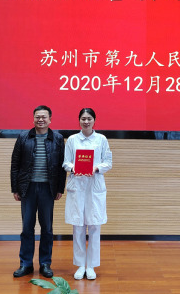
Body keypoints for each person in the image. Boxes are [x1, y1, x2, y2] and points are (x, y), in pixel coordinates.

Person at [10, 105, 66, 278]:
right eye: (37, 117)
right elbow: (15, 164)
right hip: (28, 188)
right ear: (33, 118)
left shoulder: (57, 138)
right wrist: (15, 188)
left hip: (48, 189)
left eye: (44, 117)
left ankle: (45, 263)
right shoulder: (23, 137)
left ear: (50, 119)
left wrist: (60, 188)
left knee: (47, 228)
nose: (40, 119)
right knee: (27, 227)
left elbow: (62, 166)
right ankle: (25, 264)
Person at [62, 108, 113, 280]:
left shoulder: (101, 139)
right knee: (78, 227)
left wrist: (97, 168)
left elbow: (108, 162)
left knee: (94, 226)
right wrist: (73, 168)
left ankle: (90, 265)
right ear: (79, 120)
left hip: (94, 185)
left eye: (89, 118)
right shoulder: (72, 140)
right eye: (83, 118)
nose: (86, 121)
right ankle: (79, 265)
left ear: (94, 120)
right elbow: (66, 162)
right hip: (77, 184)